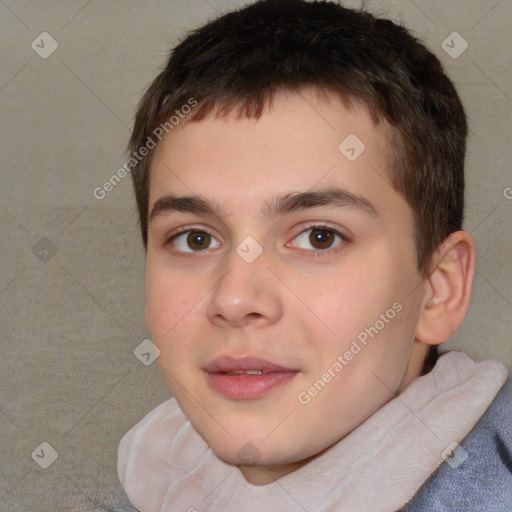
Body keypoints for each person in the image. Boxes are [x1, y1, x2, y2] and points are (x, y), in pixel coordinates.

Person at [117, 1, 512, 510]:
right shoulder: (153, 475)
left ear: (438, 289)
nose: (236, 298)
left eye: (319, 237)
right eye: (196, 239)